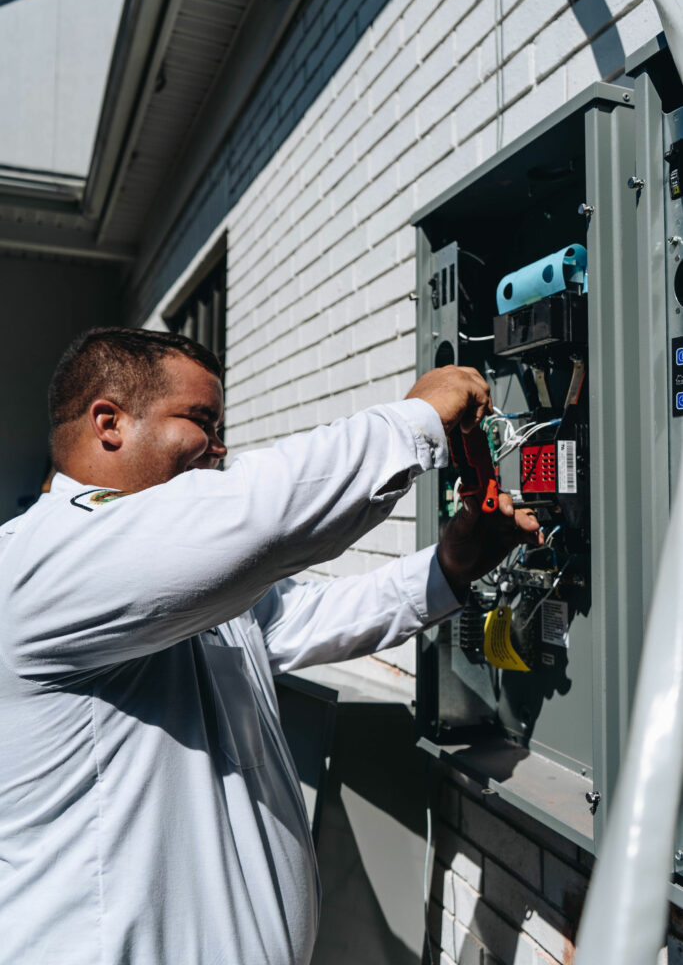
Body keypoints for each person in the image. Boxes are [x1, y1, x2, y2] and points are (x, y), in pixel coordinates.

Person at [0, 327, 540, 965]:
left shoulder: (169, 579)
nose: (220, 446)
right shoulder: (43, 558)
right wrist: (415, 418)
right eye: (201, 419)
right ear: (110, 423)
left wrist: (450, 567)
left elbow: (309, 616)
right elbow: (260, 513)